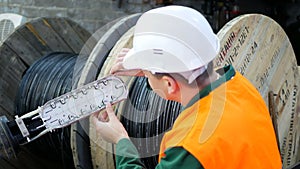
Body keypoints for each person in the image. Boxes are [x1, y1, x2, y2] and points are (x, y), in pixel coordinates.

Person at [92, 5, 282, 169]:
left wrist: (121, 141)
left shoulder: (189, 147)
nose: (146, 78)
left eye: (147, 76)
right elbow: (179, 87)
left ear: (169, 84)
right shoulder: (240, 85)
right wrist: (150, 68)